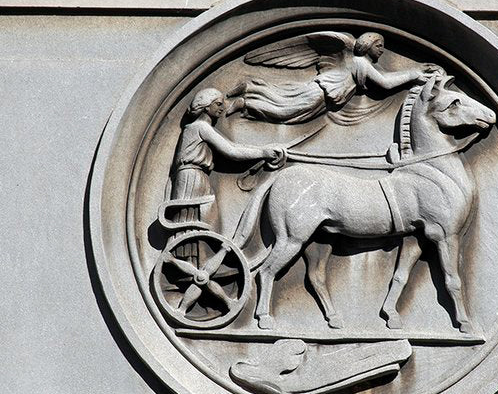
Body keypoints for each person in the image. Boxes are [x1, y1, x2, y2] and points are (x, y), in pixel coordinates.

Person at [229, 31, 441, 125]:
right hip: (321, 92)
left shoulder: (360, 63)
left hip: (324, 97)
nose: (382, 51)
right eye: (379, 46)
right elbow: (385, 82)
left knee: (285, 99)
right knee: (286, 109)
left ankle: (250, 88)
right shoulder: (360, 63)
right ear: (367, 45)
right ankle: (244, 101)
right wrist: (413, 73)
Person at [169, 88, 284, 261]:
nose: (223, 107)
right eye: (218, 104)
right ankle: (190, 262)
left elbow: (234, 148)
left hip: (194, 177)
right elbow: (231, 151)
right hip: (193, 179)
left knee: (197, 221)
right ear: (206, 106)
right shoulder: (201, 127)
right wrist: (264, 152)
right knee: (197, 221)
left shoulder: (196, 128)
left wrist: (262, 151)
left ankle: (193, 260)